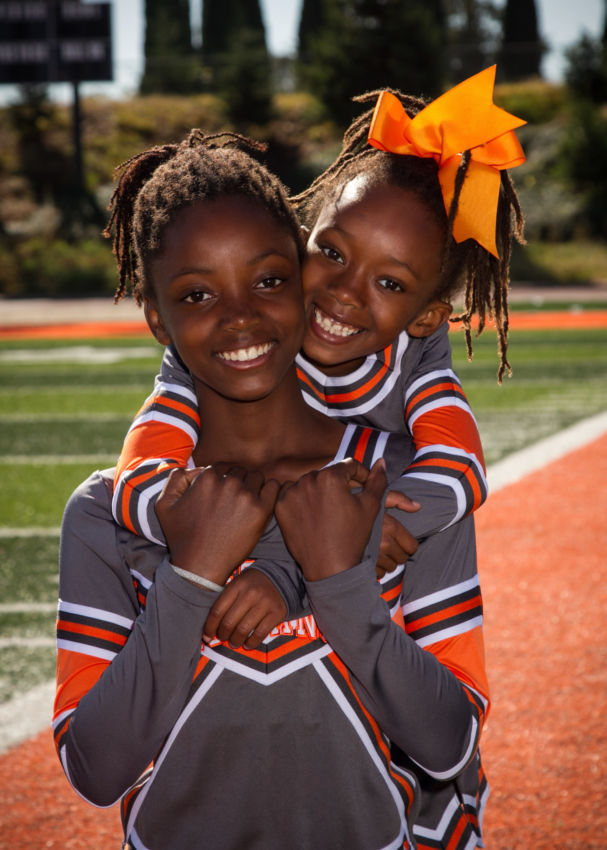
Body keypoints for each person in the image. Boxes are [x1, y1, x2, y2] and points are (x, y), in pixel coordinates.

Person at [54, 132, 489, 849]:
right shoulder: (107, 513)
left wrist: (339, 585)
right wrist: (189, 578)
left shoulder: (398, 485)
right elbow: (95, 771)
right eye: (197, 293)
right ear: (158, 319)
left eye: (266, 280)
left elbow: (448, 745)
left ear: (298, 274)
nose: (239, 317)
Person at [112, 65, 525, 557]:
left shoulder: (417, 357)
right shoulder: (223, 345)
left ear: (426, 317)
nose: (346, 291)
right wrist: (289, 542)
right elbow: (138, 481)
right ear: (301, 238)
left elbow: (460, 466)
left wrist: (374, 525)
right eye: (332, 253)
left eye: (390, 283)